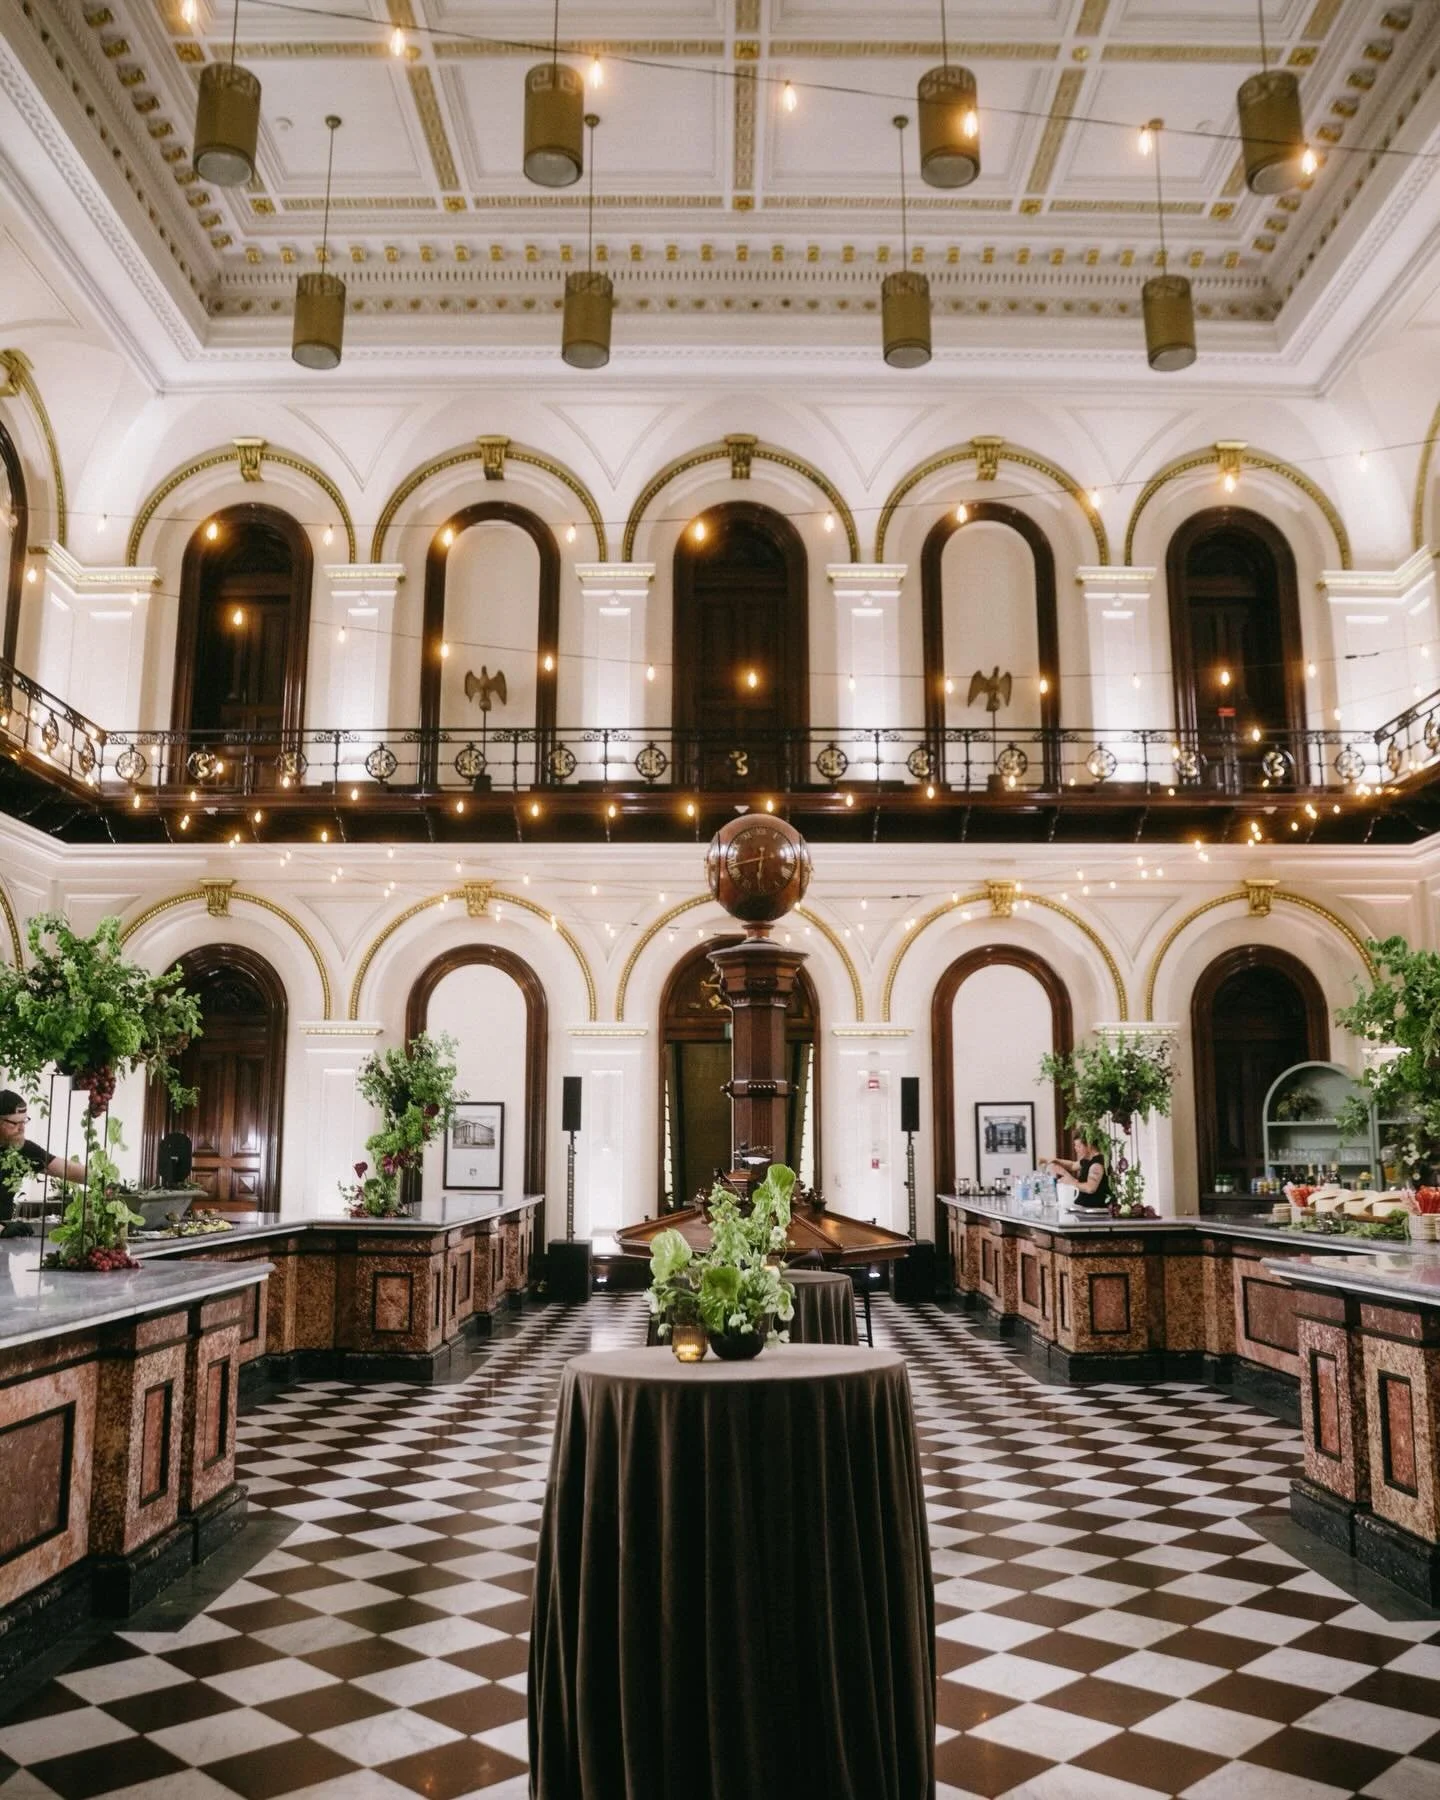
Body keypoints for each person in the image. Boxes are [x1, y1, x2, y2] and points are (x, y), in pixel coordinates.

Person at [0, 1090, 87, 1236]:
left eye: (24, 1121)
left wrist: (103, 1180)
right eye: (15, 1123)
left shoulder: (22, 1149)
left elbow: (66, 1169)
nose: (22, 1128)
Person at [1047, 1132, 1111, 1211]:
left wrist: (1071, 1181)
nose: (1075, 1149)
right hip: (1083, 1208)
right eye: (1075, 1146)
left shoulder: (1096, 1164)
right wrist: (1056, 1161)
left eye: (1079, 1146)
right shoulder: (1087, 1159)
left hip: (1094, 1211)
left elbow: (1090, 1188)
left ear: (1089, 1145)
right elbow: (1072, 1165)